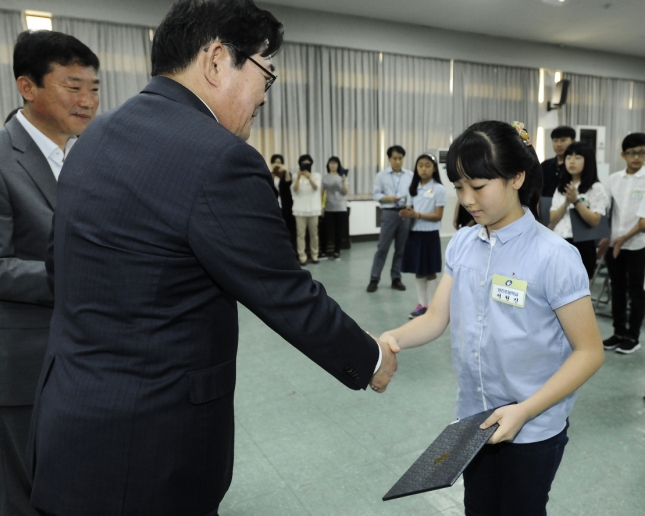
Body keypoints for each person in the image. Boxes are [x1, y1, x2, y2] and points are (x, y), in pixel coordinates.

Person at [26, 2, 396, 516]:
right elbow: (284, 291)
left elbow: (57, 268)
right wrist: (371, 358)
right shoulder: (220, 157)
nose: (267, 93)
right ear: (217, 60)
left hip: (69, 426)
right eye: (266, 72)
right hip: (151, 451)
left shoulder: (91, 141)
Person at [379, 121, 604, 516]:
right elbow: (435, 318)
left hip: (532, 426)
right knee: (479, 506)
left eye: (478, 187)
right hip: (473, 421)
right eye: (460, 187)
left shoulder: (554, 256)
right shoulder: (465, 243)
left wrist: (525, 409)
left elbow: (589, 352)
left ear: (517, 177)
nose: (467, 199)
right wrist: (390, 339)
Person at [0, 31, 99, 516]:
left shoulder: (86, 156)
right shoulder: (3, 157)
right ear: (27, 86)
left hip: (81, 363)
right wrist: (77, 279)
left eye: (95, 89)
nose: (87, 101)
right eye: (73, 86)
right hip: (21, 365)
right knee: (23, 495)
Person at [601, 132, 645, 354]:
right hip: (614, 244)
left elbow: (644, 222)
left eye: (641, 153)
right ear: (623, 155)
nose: (637, 157)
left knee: (636, 291)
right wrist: (606, 238)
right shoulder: (614, 179)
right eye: (632, 153)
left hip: (638, 245)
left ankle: (633, 336)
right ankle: (618, 332)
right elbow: (604, 209)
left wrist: (622, 239)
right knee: (618, 288)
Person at [549, 142, 609, 279]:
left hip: (583, 245)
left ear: (587, 161)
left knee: (580, 291)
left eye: (577, 157)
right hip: (559, 242)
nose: (571, 161)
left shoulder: (596, 188)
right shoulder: (561, 187)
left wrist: (576, 201)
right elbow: (553, 218)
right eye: (568, 157)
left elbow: (594, 221)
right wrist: (567, 202)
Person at [399, 152, 446, 319]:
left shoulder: (439, 189)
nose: (423, 169)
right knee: (418, 271)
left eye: (427, 165)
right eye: (420, 166)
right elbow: (410, 210)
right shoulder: (412, 188)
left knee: (431, 271)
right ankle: (422, 305)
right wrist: (406, 213)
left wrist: (417, 215)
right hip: (414, 234)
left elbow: (438, 216)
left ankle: (435, 306)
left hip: (430, 235)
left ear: (434, 169)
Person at [367, 145, 413, 292]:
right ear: (389, 159)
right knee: (382, 248)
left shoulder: (410, 175)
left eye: (400, 158)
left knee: (401, 249)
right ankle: (374, 279)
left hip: (405, 213)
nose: (398, 161)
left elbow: (413, 194)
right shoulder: (381, 175)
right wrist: (388, 198)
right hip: (388, 213)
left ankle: (396, 278)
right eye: (394, 158)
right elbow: (376, 194)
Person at [291, 153, 322, 264]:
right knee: (300, 234)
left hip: (313, 208)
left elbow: (316, 188)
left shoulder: (316, 175)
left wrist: (309, 178)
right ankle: (302, 256)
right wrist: (298, 178)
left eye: (308, 162)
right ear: (300, 164)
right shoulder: (296, 176)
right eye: (304, 162)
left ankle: (315, 255)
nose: (306, 164)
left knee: (314, 233)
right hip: (299, 209)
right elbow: (294, 190)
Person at [320, 156, 349, 259]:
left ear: (338, 165)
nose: (332, 165)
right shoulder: (325, 177)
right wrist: (321, 206)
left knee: (339, 231)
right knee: (325, 230)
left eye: (335, 163)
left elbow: (345, 192)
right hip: (328, 207)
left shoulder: (342, 176)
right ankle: (323, 251)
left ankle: (337, 252)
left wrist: (343, 181)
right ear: (328, 165)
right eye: (331, 163)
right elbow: (322, 193)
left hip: (340, 207)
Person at [269, 153, 296, 252]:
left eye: (279, 162)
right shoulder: (270, 175)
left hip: (287, 205)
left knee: (288, 228)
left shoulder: (286, 174)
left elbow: (288, 182)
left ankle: (290, 250)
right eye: (275, 162)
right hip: (274, 205)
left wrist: (286, 170)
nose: (277, 164)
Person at [541, 126, 575, 197]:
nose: (558, 144)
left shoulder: (575, 166)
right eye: (555, 140)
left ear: (573, 141)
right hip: (545, 205)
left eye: (563, 140)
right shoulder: (545, 165)